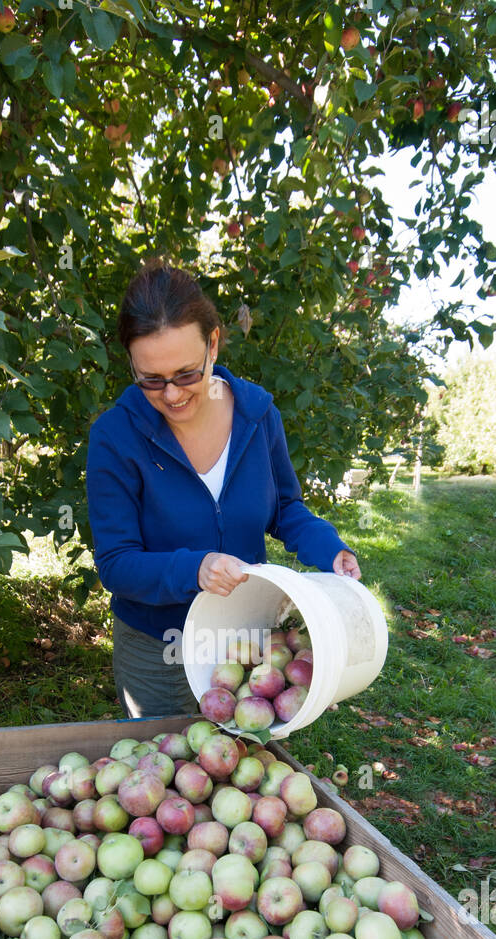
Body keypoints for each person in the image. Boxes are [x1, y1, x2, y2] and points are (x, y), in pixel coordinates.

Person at [86, 260, 361, 718]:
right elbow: (116, 563)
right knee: (165, 770)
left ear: (213, 342)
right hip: (159, 649)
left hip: (246, 640)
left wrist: (329, 549)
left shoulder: (256, 415)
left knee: (243, 768)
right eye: (151, 380)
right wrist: (196, 569)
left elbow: (285, 508)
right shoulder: (116, 437)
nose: (172, 395)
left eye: (187, 374)